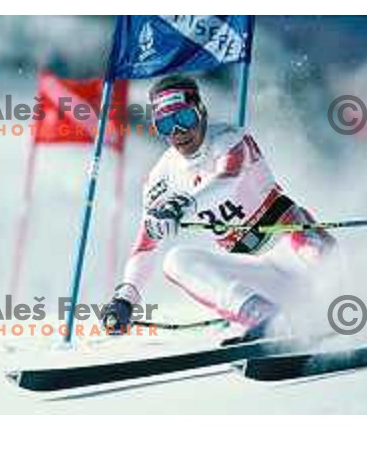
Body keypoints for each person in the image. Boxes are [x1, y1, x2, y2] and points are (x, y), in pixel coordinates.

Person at [102, 74, 336, 340]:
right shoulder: (161, 178)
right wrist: (125, 298)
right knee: (176, 261)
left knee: (308, 243)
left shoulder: (230, 139)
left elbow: (227, 180)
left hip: (295, 254)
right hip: (257, 271)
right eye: (166, 124)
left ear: (201, 112)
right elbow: (146, 245)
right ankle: (262, 317)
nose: (178, 132)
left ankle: (345, 306)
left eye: (185, 118)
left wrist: (182, 205)